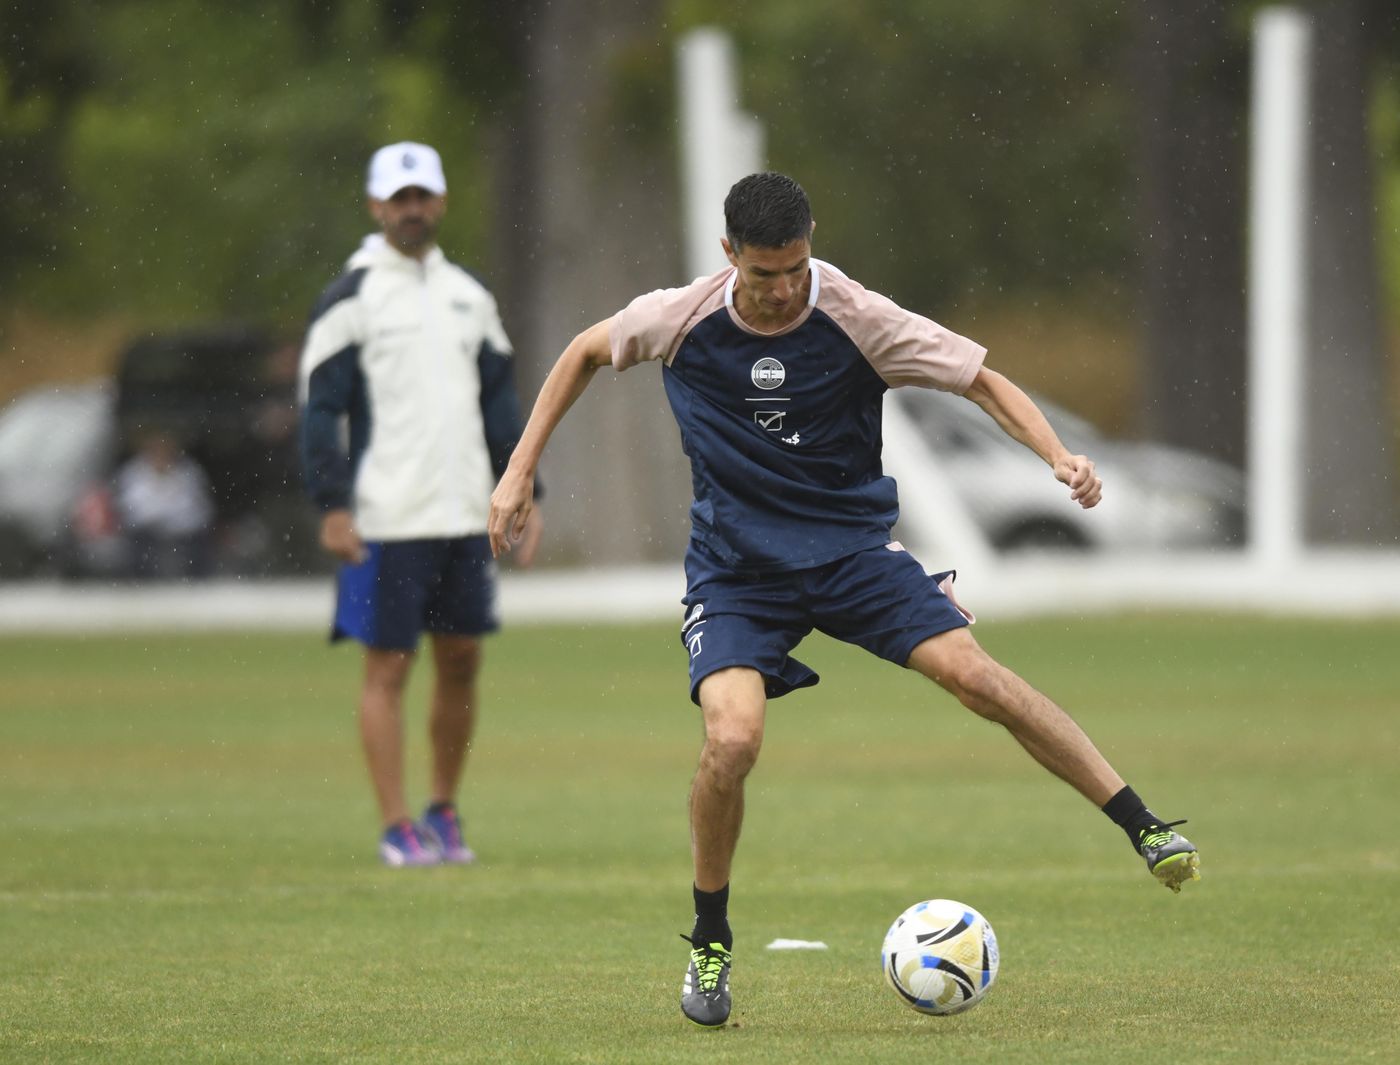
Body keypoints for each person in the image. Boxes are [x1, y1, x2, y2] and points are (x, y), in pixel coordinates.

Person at [488, 172, 1201, 1026]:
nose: (784, 289)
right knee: (732, 739)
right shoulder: (680, 316)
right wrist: (520, 468)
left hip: (852, 554)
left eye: (796, 267)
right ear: (728, 256)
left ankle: (1143, 822)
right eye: (764, 274)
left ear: (811, 242)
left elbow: (982, 379)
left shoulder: (860, 316)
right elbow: (581, 352)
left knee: (977, 677)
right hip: (737, 572)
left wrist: (1057, 455)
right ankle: (710, 940)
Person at [299, 141, 542, 868]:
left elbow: (502, 404)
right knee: (389, 666)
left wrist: (527, 487)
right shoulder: (352, 295)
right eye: (397, 198)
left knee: (462, 659)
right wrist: (333, 502)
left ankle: (442, 808)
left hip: (465, 512)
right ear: (376, 207)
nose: (411, 209)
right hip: (387, 515)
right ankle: (395, 822)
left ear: (439, 201)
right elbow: (321, 408)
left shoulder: (469, 295)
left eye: (422, 195)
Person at [113, 429, 215, 579]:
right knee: (135, 541)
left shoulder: (189, 472)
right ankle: (140, 580)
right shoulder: (133, 473)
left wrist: (172, 519)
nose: (161, 455)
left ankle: (196, 579)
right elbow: (130, 506)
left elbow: (196, 506)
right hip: (146, 528)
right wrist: (156, 517)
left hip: (182, 528)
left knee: (199, 539)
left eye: (165, 450)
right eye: (156, 450)